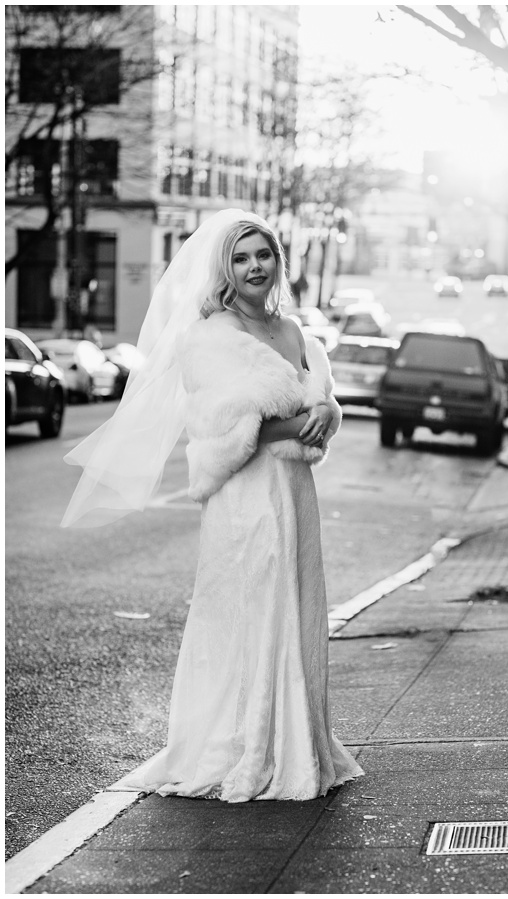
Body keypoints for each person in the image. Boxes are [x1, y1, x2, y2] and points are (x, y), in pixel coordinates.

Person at [61, 208, 363, 801]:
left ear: (279, 261)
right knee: (246, 615)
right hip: (244, 501)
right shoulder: (207, 337)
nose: (254, 266)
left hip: (296, 496)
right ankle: (240, 747)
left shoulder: (296, 332)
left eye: (264, 255)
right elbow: (220, 430)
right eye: (241, 257)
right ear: (225, 268)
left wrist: (327, 412)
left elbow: (312, 404)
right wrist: (308, 417)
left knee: (295, 611)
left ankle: (296, 743)